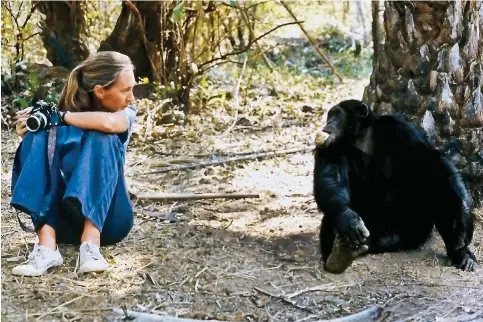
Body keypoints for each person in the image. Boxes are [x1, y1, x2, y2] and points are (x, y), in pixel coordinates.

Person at [10, 51, 137, 276]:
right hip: (63, 223)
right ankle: (47, 247)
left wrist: (59, 117)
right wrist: (30, 136)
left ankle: (91, 244)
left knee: (101, 136)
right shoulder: (60, 115)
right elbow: (47, 164)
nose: (132, 97)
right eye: (126, 90)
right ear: (100, 91)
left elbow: (109, 124)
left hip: (110, 220)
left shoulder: (124, 112)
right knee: (38, 135)